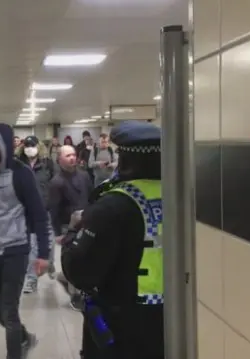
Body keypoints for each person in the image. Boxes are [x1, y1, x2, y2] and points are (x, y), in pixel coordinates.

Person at [60, 121, 164, 359]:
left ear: (125, 158)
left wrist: (74, 231)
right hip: (172, 321)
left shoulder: (112, 205)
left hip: (121, 325)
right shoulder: (184, 197)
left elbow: (80, 272)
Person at [0, 124, 50, 359]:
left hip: (15, 250)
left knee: (8, 310)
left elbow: (39, 214)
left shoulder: (21, 174)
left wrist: (44, 254)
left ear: (5, 143)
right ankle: (24, 337)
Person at [48, 145, 93, 310]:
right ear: (59, 159)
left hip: (87, 222)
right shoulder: (56, 182)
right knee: (74, 260)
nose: (72, 158)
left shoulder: (84, 176)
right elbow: (53, 209)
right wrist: (58, 232)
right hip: (69, 226)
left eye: (73, 155)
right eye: (67, 156)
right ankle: (75, 296)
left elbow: (92, 196)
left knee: (86, 259)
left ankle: (66, 279)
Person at [15, 135, 56, 293]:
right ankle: (31, 279)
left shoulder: (47, 164)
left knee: (49, 244)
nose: (29, 148)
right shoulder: (18, 165)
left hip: (46, 209)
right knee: (32, 246)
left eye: (32, 145)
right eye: (27, 145)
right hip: (26, 211)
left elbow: (55, 185)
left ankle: (49, 263)